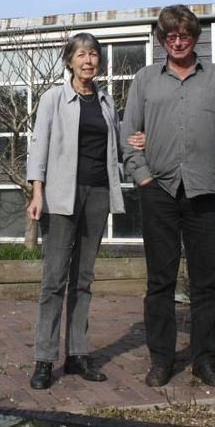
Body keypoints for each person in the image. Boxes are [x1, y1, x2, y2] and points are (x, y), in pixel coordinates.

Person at [121, 5, 215, 389]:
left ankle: (204, 360)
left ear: (195, 37)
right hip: (158, 191)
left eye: (185, 36)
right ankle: (161, 360)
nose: (178, 43)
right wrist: (142, 177)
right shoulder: (145, 80)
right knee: (159, 281)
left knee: (206, 282)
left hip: (204, 191)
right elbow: (129, 134)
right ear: (162, 40)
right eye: (171, 37)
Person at [25, 32, 127, 390]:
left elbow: (117, 141)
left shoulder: (105, 101)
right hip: (61, 196)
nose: (88, 60)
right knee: (54, 280)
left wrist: (138, 141)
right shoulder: (54, 97)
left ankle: (77, 355)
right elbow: (38, 147)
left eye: (94, 55)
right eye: (81, 54)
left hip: (97, 194)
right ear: (69, 60)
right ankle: (43, 358)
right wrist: (37, 192)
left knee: (84, 279)